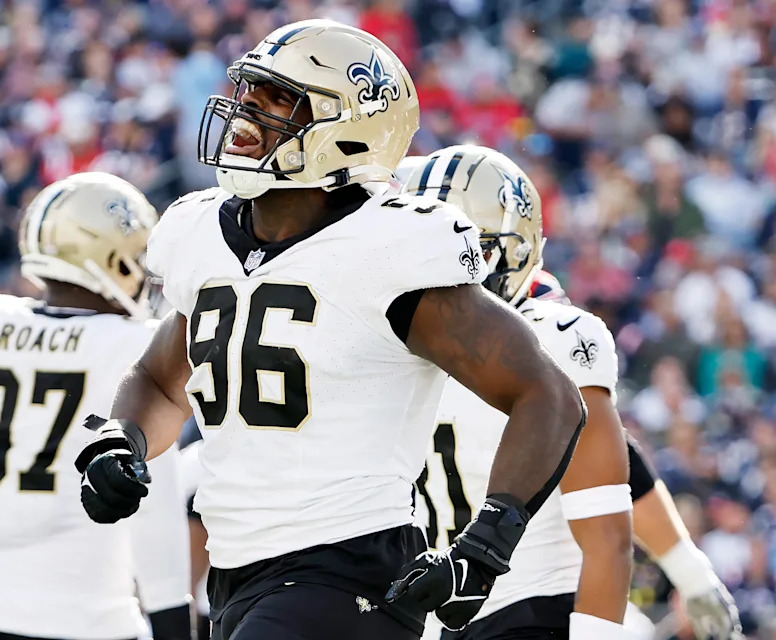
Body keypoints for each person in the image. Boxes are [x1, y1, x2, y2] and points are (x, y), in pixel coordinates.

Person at [73, 20, 586, 640]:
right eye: (248, 92)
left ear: (346, 132)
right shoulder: (202, 233)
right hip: (236, 570)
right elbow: (161, 380)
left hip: (351, 569)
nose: (246, 111)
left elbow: (548, 394)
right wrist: (121, 440)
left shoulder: (390, 246)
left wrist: (485, 546)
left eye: (278, 98)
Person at [398, 145, 742, 640]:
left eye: (460, 251)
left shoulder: (549, 333)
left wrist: (690, 573)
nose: (437, 271)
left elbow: (606, 484)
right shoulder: (385, 338)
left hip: (532, 602)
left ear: (510, 251)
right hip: (437, 615)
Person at [0, 172, 191, 640]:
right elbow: (155, 506)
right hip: (86, 618)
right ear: (109, 255)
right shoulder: (129, 347)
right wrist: (171, 622)